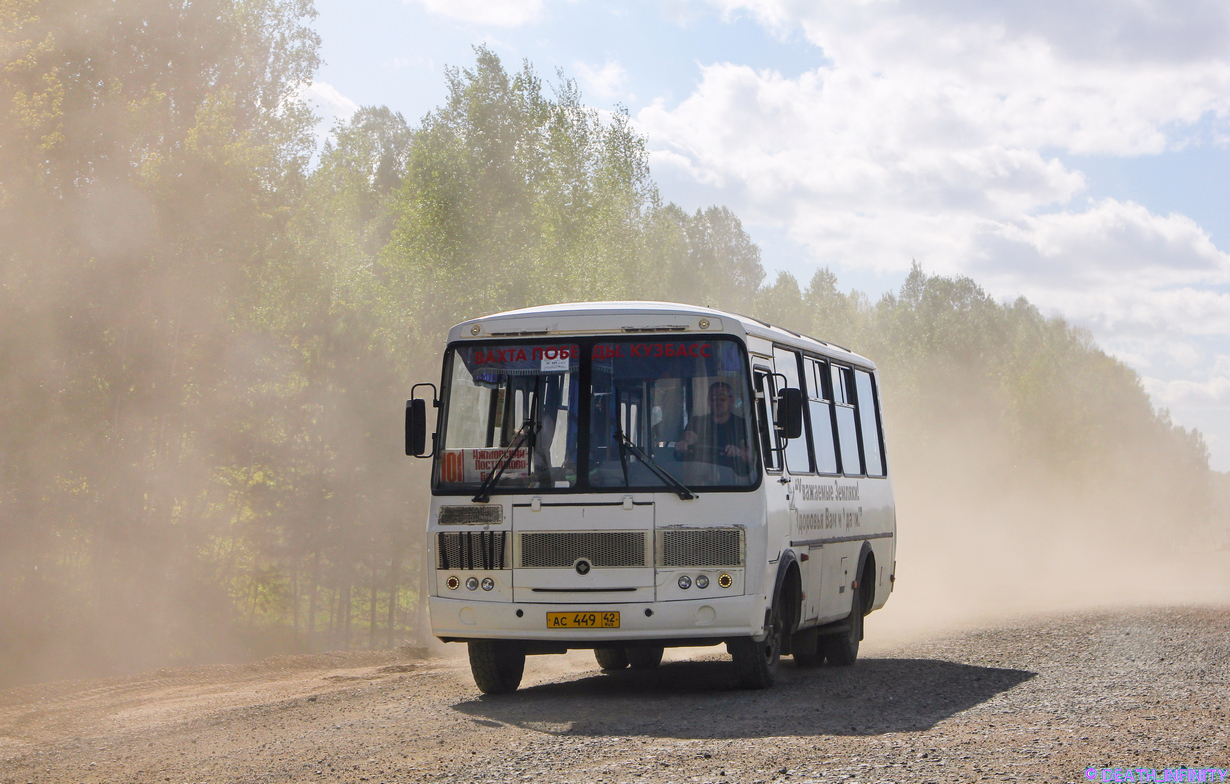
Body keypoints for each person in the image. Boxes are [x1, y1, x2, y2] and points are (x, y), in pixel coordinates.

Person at [674, 381, 752, 472]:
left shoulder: (741, 424)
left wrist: (738, 452)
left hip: (733, 479)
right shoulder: (698, 422)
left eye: (722, 398)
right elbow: (689, 436)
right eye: (713, 399)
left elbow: (750, 456)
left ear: (732, 400)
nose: (718, 402)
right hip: (700, 477)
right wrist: (684, 443)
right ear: (708, 401)